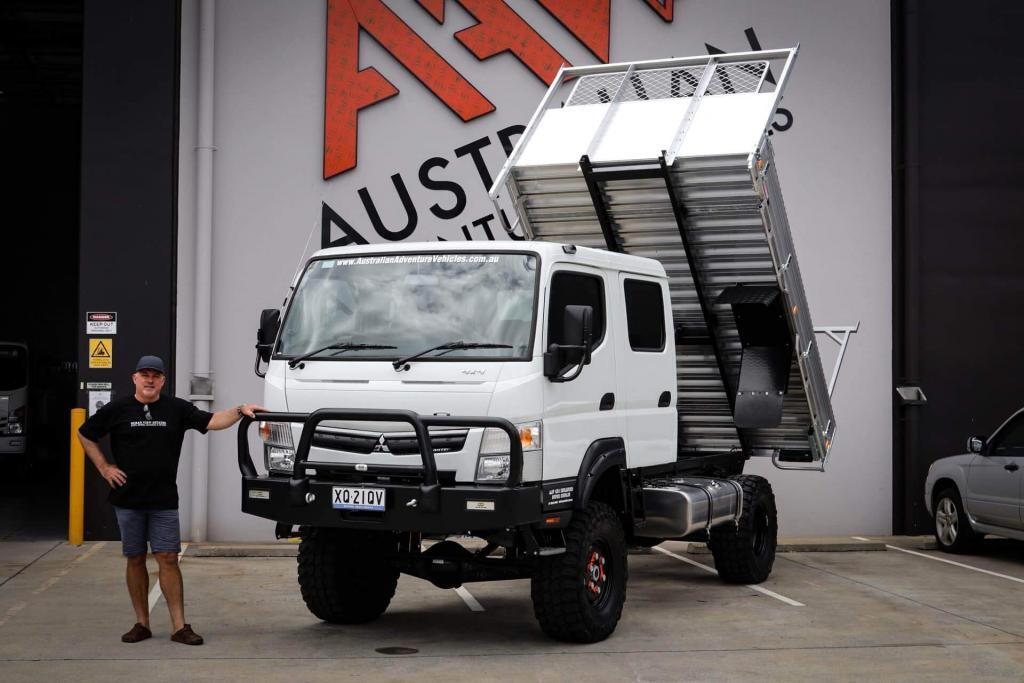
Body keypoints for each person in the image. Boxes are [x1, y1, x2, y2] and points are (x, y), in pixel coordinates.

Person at [77, 355, 264, 645]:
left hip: (163, 499)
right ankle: (141, 623)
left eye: (156, 375)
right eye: (144, 374)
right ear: (135, 378)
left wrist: (240, 410)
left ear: (163, 380)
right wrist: (104, 468)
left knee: (167, 558)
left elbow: (213, 421)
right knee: (135, 558)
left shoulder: (176, 408)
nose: (150, 379)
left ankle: (179, 627)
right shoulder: (117, 409)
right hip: (128, 500)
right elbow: (85, 434)